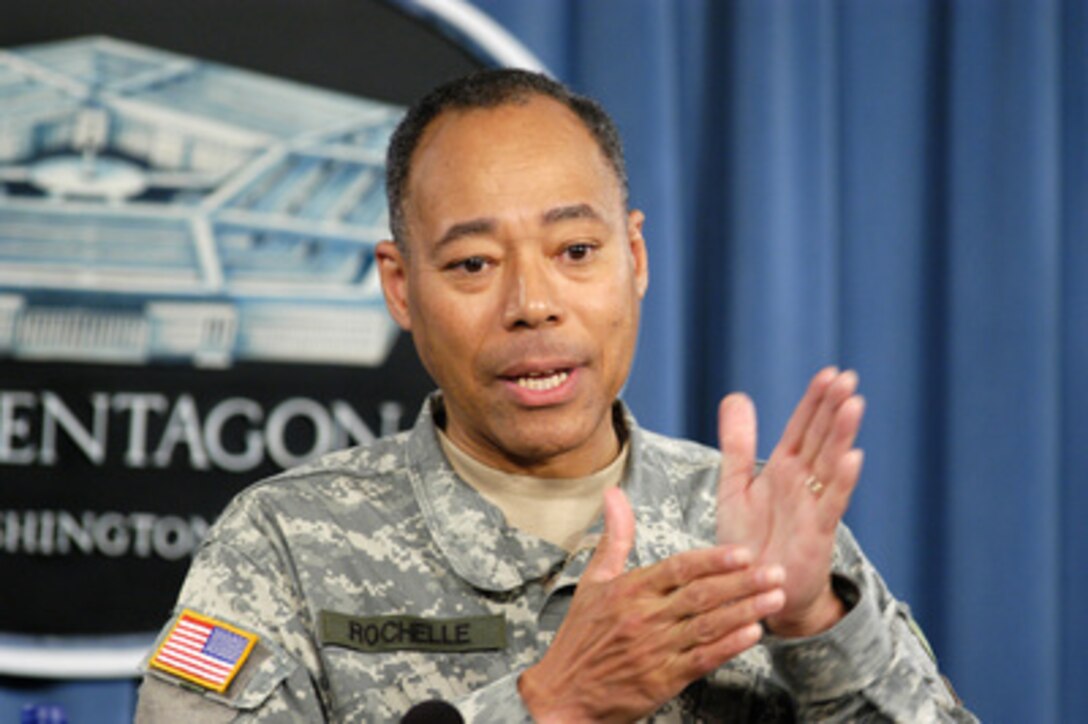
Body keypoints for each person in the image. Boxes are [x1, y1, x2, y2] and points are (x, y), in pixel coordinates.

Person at [135, 69, 975, 723]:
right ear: (400, 286)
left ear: (635, 259)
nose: (533, 303)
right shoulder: (284, 545)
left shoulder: (757, 528)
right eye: (472, 264)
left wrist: (812, 619)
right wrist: (545, 709)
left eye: (575, 250)